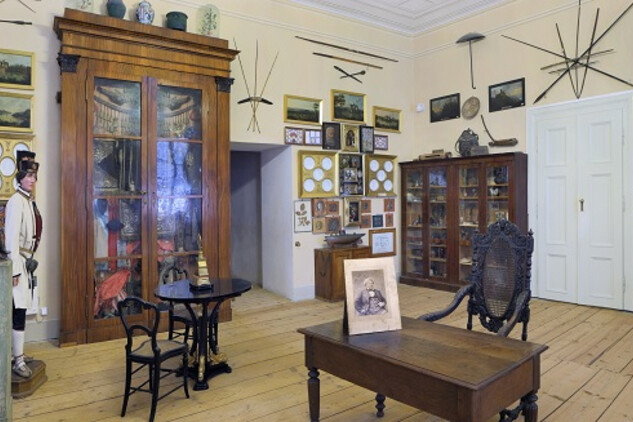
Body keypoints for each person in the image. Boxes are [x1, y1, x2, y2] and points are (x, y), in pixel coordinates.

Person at [5, 150, 42, 378]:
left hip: (26, 260)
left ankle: (17, 353)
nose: (32, 179)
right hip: (18, 262)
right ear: (20, 178)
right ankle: (17, 361)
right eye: (28, 176)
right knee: (18, 311)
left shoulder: (27, 200)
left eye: (34, 176)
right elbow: (10, 239)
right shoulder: (16, 202)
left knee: (22, 308)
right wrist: (15, 271)